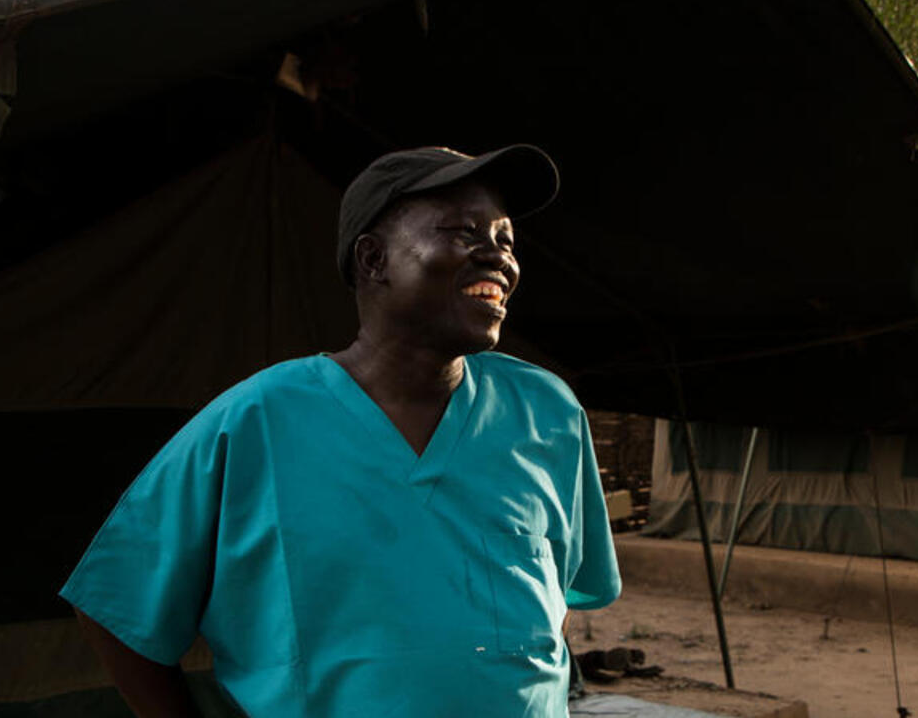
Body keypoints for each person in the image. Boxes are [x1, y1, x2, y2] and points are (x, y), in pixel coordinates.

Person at [61, 144, 621, 717]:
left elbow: (556, 597)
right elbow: (114, 606)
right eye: (464, 232)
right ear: (373, 259)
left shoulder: (547, 413)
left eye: (506, 240)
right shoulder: (256, 421)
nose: (498, 257)